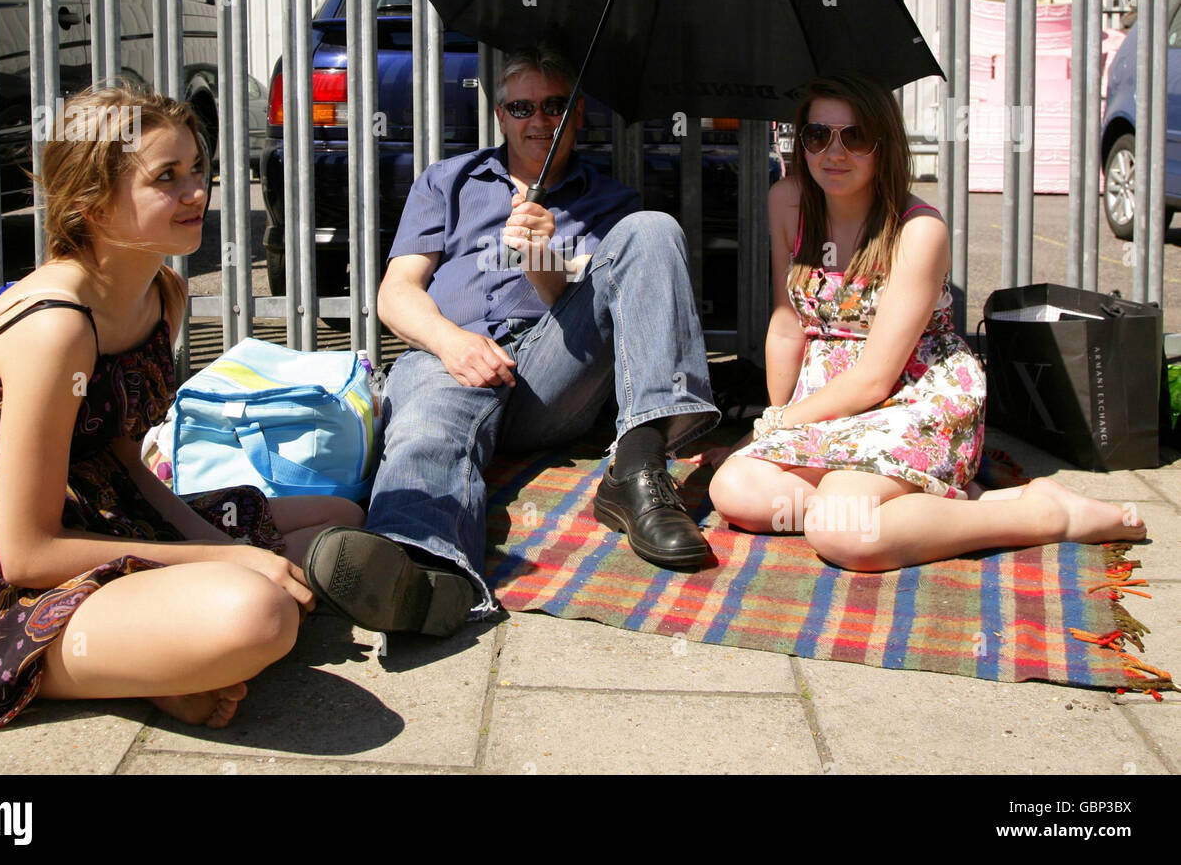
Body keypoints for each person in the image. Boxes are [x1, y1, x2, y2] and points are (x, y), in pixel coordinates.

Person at [0, 84, 363, 732]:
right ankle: (95, 664)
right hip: (4, 573)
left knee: (338, 517)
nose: (197, 192)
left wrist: (212, 541)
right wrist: (228, 558)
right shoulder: (55, 329)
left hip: (101, 507)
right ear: (92, 204)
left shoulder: (160, 293)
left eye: (198, 170)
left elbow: (122, 456)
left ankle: (165, 652)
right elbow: (28, 552)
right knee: (262, 612)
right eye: (167, 178)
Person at [303, 43, 721, 637]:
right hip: (451, 355)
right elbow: (397, 293)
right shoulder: (448, 181)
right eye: (522, 107)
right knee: (426, 429)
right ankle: (420, 573)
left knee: (652, 229)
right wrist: (451, 343)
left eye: (556, 106)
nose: (539, 120)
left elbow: (602, 324)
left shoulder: (608, 201)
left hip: (552, 376)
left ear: (577, 116)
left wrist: (542, 258)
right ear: (500, 115)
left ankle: (638, 466)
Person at [705, 73, 1145, 569]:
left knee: (844, 531)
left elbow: (875, 377)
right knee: (736, 490)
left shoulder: (919, 230)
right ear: (800, 142)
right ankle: (922, 498)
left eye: (855, 137)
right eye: (817, 135)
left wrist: (776, 429)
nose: (834, 152)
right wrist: (768, 431)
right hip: (827, 398)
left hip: (910, 392)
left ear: (884, 144)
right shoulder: (787, 201)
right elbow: (788, 324)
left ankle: (1047, 515)